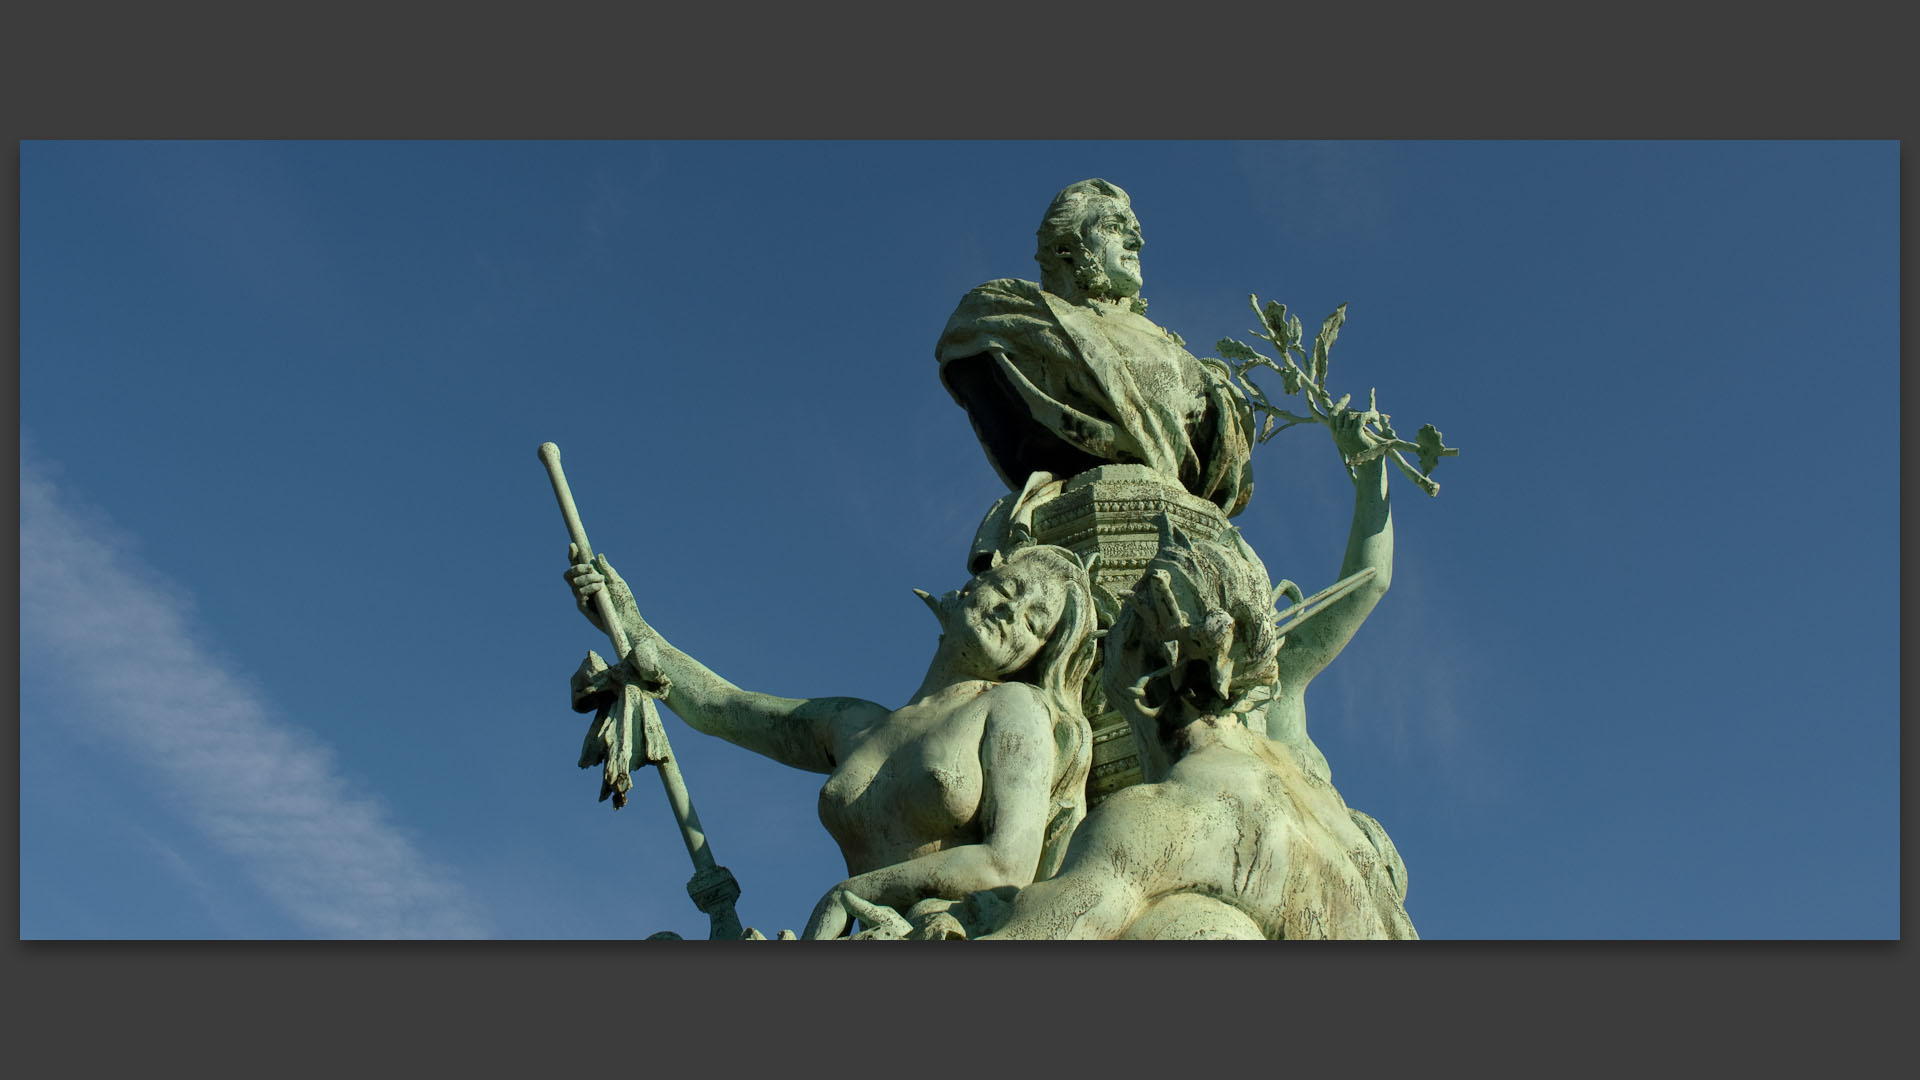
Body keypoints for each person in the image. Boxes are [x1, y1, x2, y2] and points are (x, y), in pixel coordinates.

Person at [565, 543, 1098, 939]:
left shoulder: (1015, 711)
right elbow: (724, 707)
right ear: (969, 588)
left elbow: (1008, 864)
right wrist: (630, 623)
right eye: (1008, 590)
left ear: (1033, 657)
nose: (1011, 614)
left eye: (1034, 622)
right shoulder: (854, 721)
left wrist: (852, 892)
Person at [979, 508, 1415, 941]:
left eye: (1128, 611)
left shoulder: (1156, 821)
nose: (1110, 630)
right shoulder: (1323, 804)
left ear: (1150, 677)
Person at [936, 179, 1256, 524]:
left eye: (1135, 230)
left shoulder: (1189, 364)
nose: (1136, 242)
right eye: (1115, 227)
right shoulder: (1010, 317)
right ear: (1065, 248)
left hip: (1187, 524)